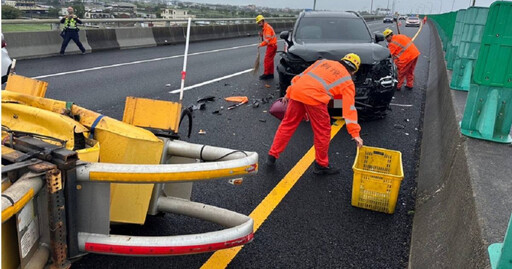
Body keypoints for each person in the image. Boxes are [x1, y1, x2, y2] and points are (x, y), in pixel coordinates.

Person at [267, 53, 364, 175]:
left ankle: (272, 155)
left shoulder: (322, 62)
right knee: (322, 131)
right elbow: (349, 108)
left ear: (341, 60)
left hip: (297, 92)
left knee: (287, 125)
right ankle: (321, 165)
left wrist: (288, 93)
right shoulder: (348, 81)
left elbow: (300, 77)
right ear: (353, 71)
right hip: (314, 99)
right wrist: (355, 133)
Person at [256, 15, 277, 80]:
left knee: (267, 60)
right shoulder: (265, 28)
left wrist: (260, 44)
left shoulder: (267, 28)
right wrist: (261, 35)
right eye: (258, 23)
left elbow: (267, 40)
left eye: (259, 23)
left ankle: (266, 74)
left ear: (262, 21)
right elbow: (267, 37)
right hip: (273, 45)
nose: (259, 24)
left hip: (272, 46)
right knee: (270, 61)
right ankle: (271, 74)